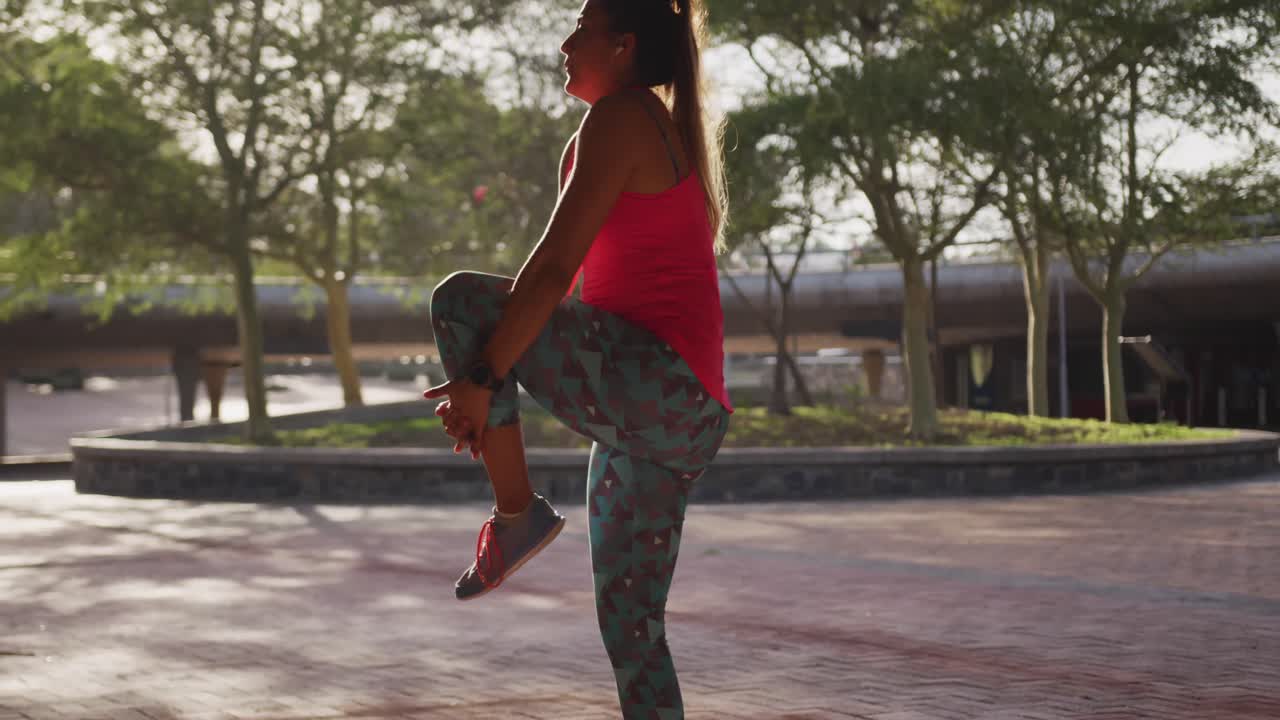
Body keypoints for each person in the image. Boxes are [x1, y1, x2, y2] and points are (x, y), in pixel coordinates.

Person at [422, 0, 731, 715]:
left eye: (582, 28)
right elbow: (558, 291)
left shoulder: (621, 118)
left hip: (656, 383)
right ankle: (516, 511)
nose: (565, 42)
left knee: (461, 301)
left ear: (622, 46)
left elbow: (551, 270)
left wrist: (481, 376)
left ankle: (516, 512)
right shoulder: (645, 124)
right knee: (633, 631)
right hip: (681, 412)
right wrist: (483, 382)